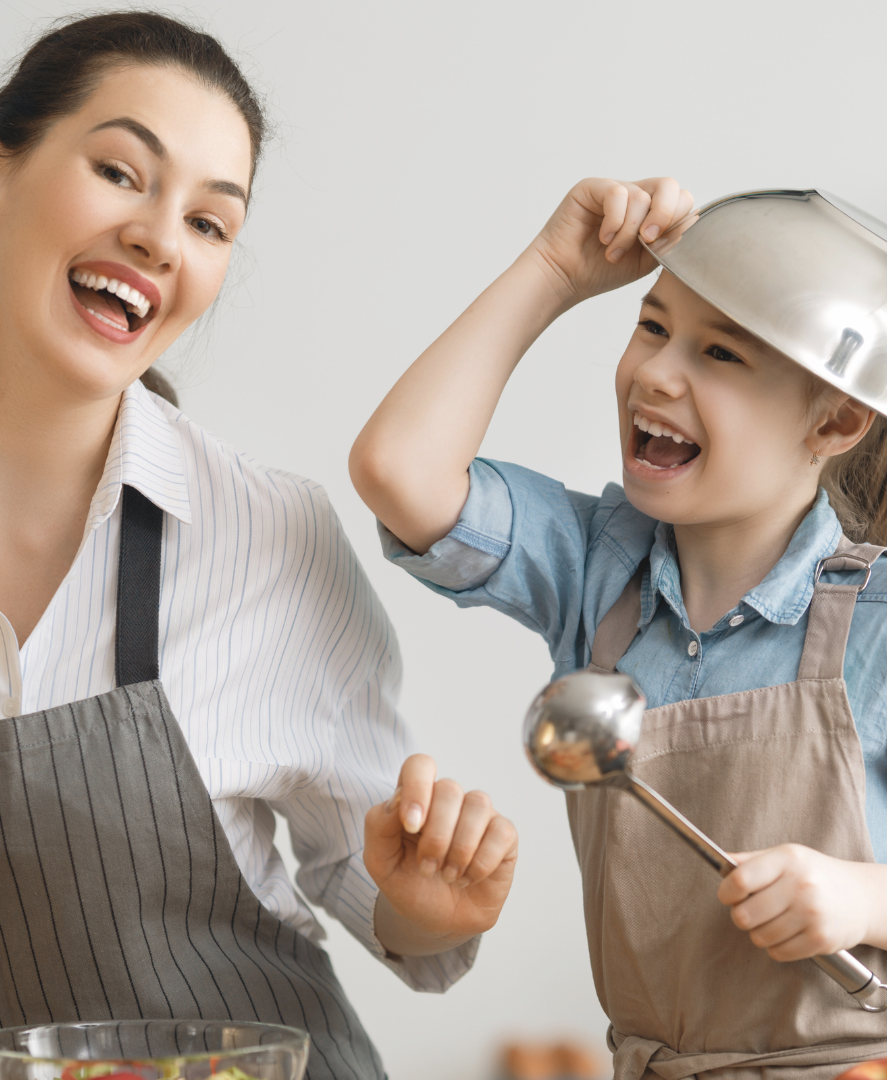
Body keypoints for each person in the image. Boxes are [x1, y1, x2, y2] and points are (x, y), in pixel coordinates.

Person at [0, 14, 519, 1080]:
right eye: (118, 171)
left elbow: (390, 917)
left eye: (209, 222)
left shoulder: (269, 535)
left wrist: (426, 905)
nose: (159, 236)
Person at [350, 176, 887, 1080]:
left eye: (721, 354)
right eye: (652, 326)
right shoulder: (598, 570)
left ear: (833, 421)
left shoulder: (877, 625)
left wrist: (867, 900)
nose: (657, 372)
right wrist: (555, 270)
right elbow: (400, 471)